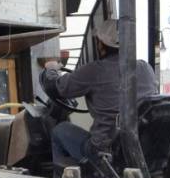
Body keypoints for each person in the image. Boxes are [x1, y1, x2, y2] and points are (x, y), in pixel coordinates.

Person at [41, 11, 158, 168]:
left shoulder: (94, 71)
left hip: (105, 152)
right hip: (142, 148)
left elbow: (56, 87)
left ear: (101, 45)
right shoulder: (145, 68)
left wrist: (51, 68)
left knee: (60, 130)